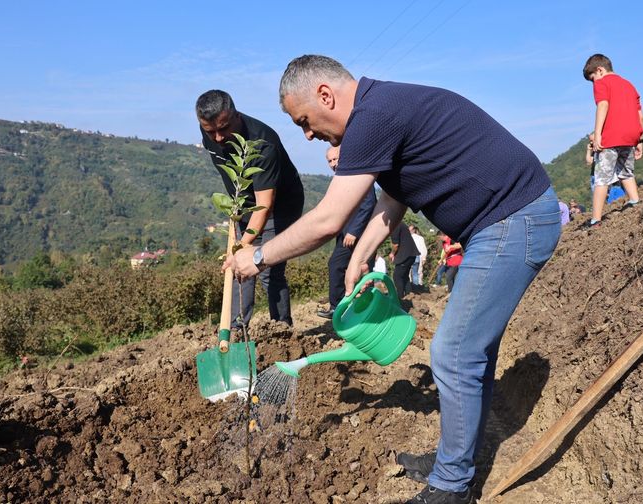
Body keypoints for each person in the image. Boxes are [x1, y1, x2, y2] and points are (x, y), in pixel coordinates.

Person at [226, 55, 561, 503]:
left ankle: (451, 488)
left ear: (326, 95)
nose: (308, 134)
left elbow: (328, 219)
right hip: (501, 221)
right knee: (469, 355)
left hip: (510, 221)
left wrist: (260, 256)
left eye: (304, 121)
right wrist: (360, 257)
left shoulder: (373, 115)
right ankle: (453, 461)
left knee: (454, 353)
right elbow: (394, 198)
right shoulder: (381, 106)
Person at [196, 90, 304, 331]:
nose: (218, 137)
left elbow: (264, 204)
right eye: (210, 131)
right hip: (244, 206)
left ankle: (282, 329)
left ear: (236, 115)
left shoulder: (262, 143)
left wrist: (243, 245)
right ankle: (236, 329)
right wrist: (235, 215)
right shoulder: (211, 135)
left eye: (223, 128)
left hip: (280, 206)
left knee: (267, 268)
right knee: (238, 268)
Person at [584, 54, 643, 229]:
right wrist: (640, 139)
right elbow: (640, 115)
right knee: (626, 171)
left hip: (611, 136)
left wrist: (597, 134)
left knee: (601, 178)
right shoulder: (629, 85)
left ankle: (596, 219)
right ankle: (634, 200)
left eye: (593, 78)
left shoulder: (602, 83)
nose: (593, 82)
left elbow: (602, 105)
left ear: (599, 70)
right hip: (631, 135)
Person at [317, 145, 377, 319]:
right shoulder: (341, 178)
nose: (333, 163)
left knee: (356, 268)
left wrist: (353, 231)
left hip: (359, 234)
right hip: (344, 234)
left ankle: (349, 308)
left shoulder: (357, 175)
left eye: (336, 159)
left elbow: (368, 204)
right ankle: (346, 307)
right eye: (330, 161)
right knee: (342, 266)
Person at [389, 222, 418, 299]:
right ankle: (409, 294)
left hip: (405, 255)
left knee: (397, 276)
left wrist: (392, 253)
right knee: (404, 276)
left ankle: (400, 297)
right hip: (412, 254)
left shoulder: (394, 225)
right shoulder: (401, 223)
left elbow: (395, 245)